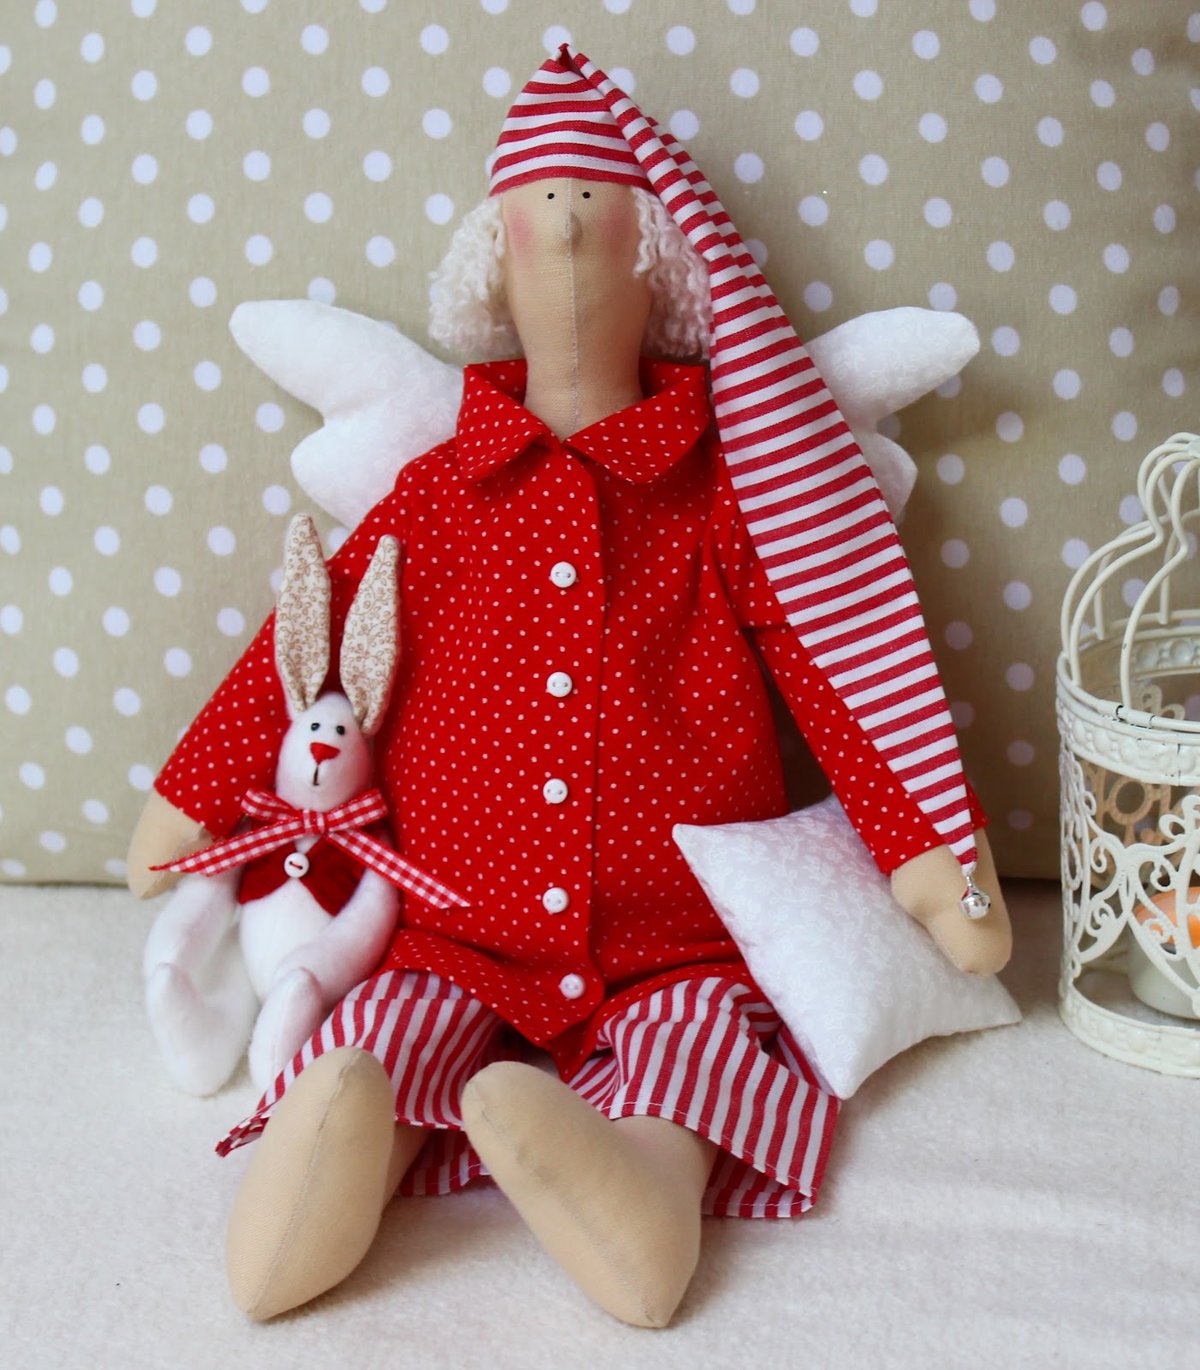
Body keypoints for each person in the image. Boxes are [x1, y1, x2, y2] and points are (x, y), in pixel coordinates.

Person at [128, 46, 1011, 1329]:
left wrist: (929, 859)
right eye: (543, 218)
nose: (569, 237)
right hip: (453, 929)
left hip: (681, 938)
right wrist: (193, 796)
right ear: (493, 267)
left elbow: (835, 665)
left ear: (661, 264)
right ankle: (337, 1132)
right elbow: (300, 644)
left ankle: (635, 1182)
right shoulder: (438, 490)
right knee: (381, 1026)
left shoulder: (726, 495)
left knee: (702, 1047)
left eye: (596, 215)